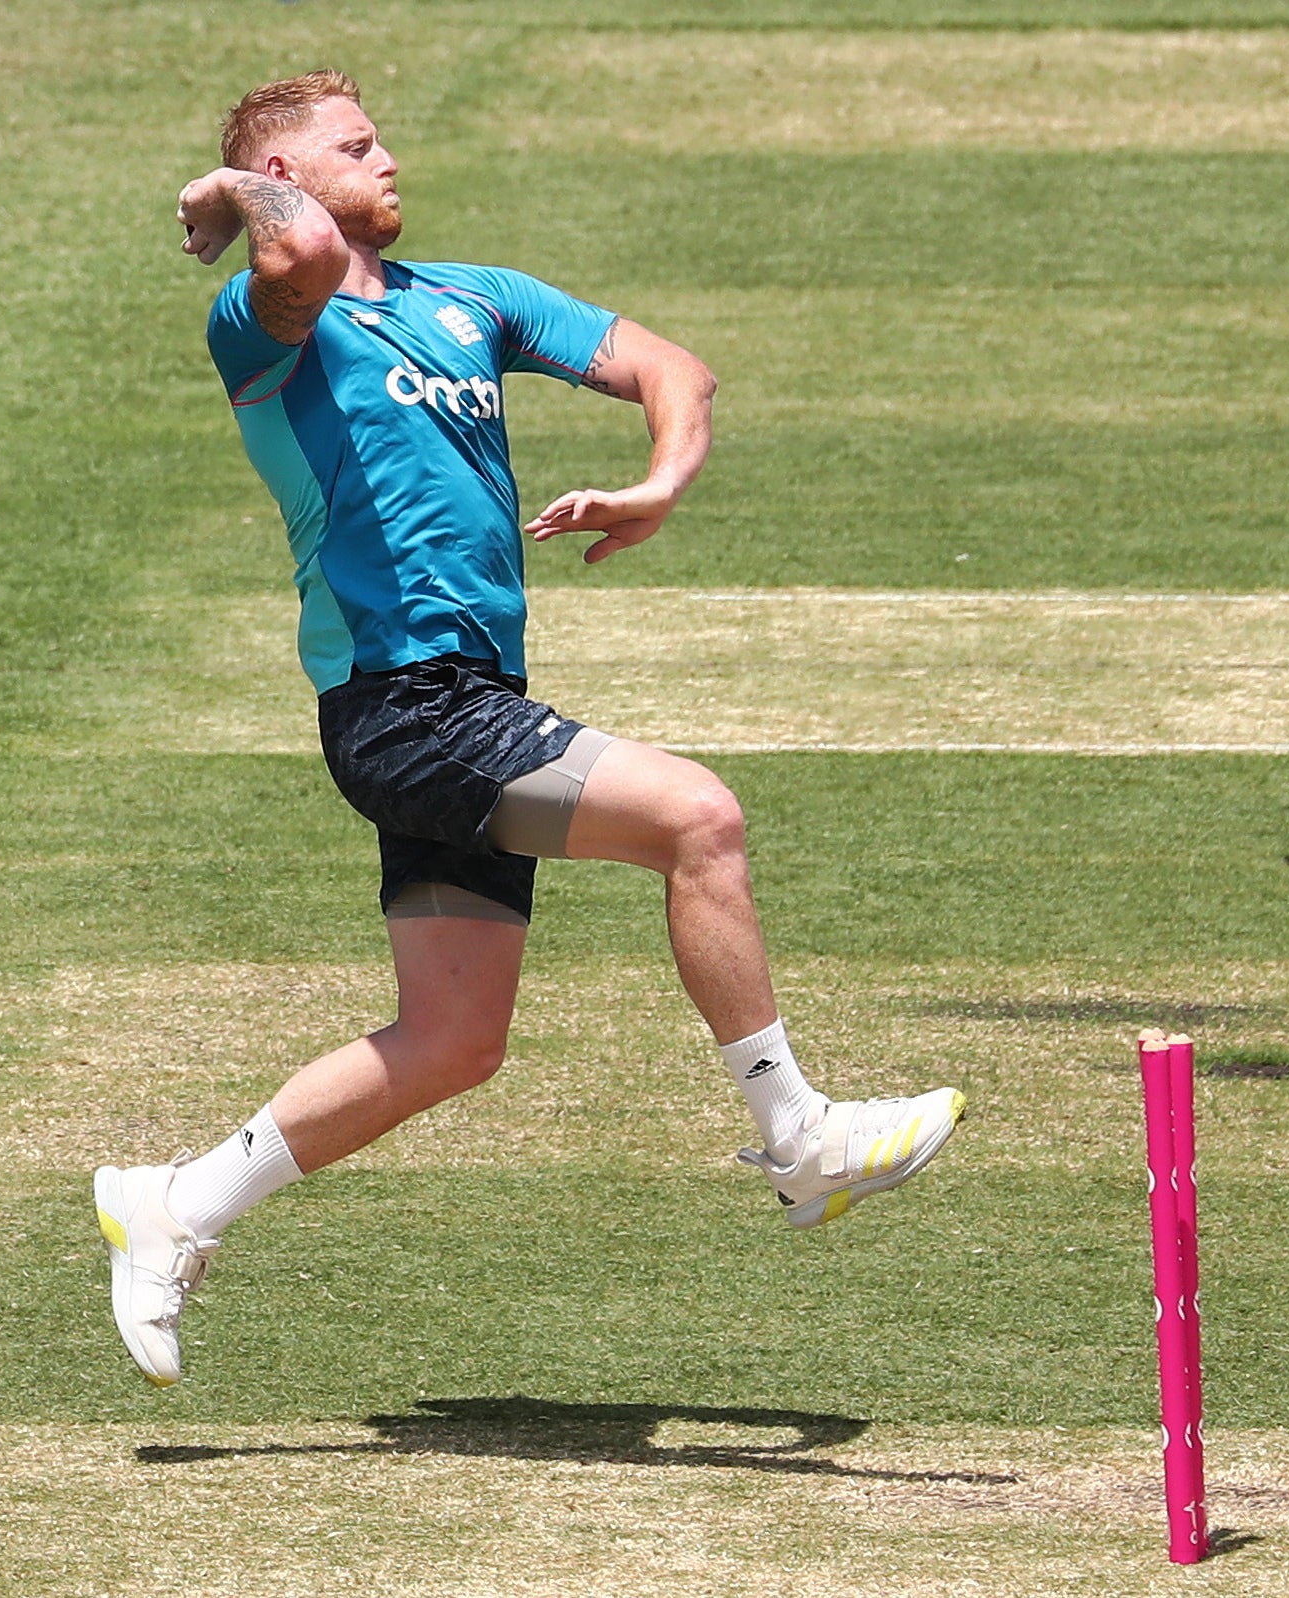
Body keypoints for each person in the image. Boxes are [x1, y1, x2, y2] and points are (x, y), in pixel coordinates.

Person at [95, 70, 965, 1387]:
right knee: (698, 817)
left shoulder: (469, 299)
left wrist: (661, 478)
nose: (386, 156)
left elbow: (672, 368)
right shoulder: (262, 324)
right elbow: (306, 249)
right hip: (403, 704)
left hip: (468, 706)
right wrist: (236, 192)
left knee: (452, 1039)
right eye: (353, 144)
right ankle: (801, 1138)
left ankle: (178, 1203)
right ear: (282, 174)